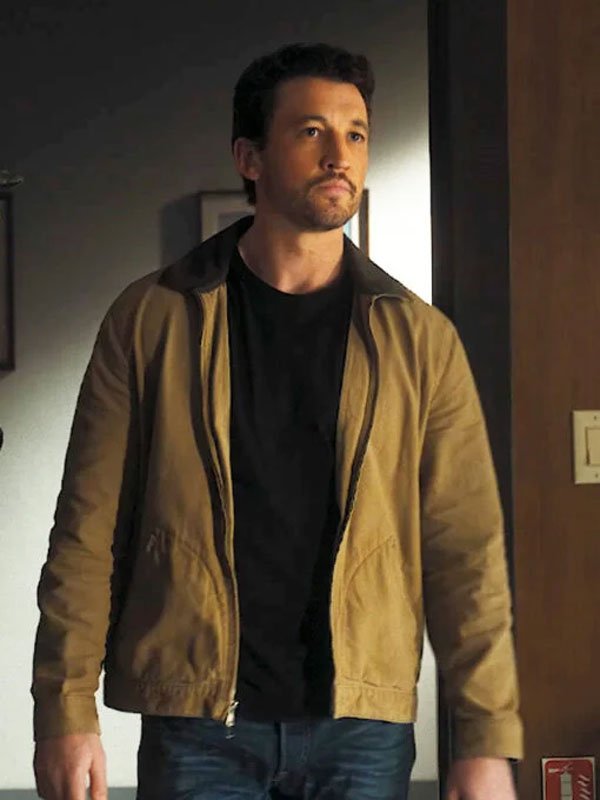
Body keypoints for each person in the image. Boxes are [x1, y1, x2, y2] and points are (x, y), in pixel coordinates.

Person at [32, 42, 523, 800]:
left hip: (361, 727)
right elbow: (86, 530)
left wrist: (485, 739)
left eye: (356, 134)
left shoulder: (419, 340)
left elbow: (467, 553)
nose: (340, 155)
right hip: (199, 726)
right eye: (311, 131)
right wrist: (64, 711)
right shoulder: (151, 319)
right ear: (250, 157)